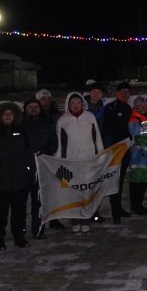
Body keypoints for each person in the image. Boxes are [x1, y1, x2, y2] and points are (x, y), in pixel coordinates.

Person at [56, 92, 104, 232]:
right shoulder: (63, 121)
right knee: (74, 192)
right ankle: (76, 219)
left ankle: (86, 219)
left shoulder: (90, 117)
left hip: (89, 160)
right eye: (72, 103)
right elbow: (61, 143)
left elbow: (97, 139)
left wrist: (99, 156)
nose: (75, 106)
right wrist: (61, 162)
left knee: (88, 191)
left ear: (82, 103)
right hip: (72, 162)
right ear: (68, 105)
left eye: (78, 103)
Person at [0, 102, 32, 249]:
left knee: (19, 212)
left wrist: (25, 168)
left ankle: (19, 237)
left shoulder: (21, 130)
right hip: (2, 181)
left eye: (10, 114)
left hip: (20, 179)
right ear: (0, 116)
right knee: (1, 213)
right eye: (4, 114)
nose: (7, 116)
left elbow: (27, 151)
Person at [21, 98, 58, 237]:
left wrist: (45, 152)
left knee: (38, 202)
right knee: (21, 203)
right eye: (30, 107)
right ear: (25, 109)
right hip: (24, 169)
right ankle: (21, 230)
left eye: (36, 106)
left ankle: (38, 229)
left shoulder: (46, 123)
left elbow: (54, 141)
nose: (33, 109)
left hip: (41, 167)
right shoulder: (20, 125)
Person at [102, 82, 134, 223]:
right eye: (122, 92)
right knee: (113, 179)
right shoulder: (110, 108)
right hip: (114, 149)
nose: (125, 94)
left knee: (120, 180)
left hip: (126, 149)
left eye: (127, 92)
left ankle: (119, 207)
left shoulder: (128, 108)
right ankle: (115, 211)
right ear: (117, 93)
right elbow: (107, 129)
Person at [128, 96, 147, 215]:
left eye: (144, 105)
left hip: (145, 155)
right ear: (136, 106)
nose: (143, 107)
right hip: (137, 155)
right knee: (137, 181)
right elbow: (136, 136)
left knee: (143, 180)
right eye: (140, 105)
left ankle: (139, 204)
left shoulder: (144, 118)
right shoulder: (134, 119)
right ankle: (135, 206)